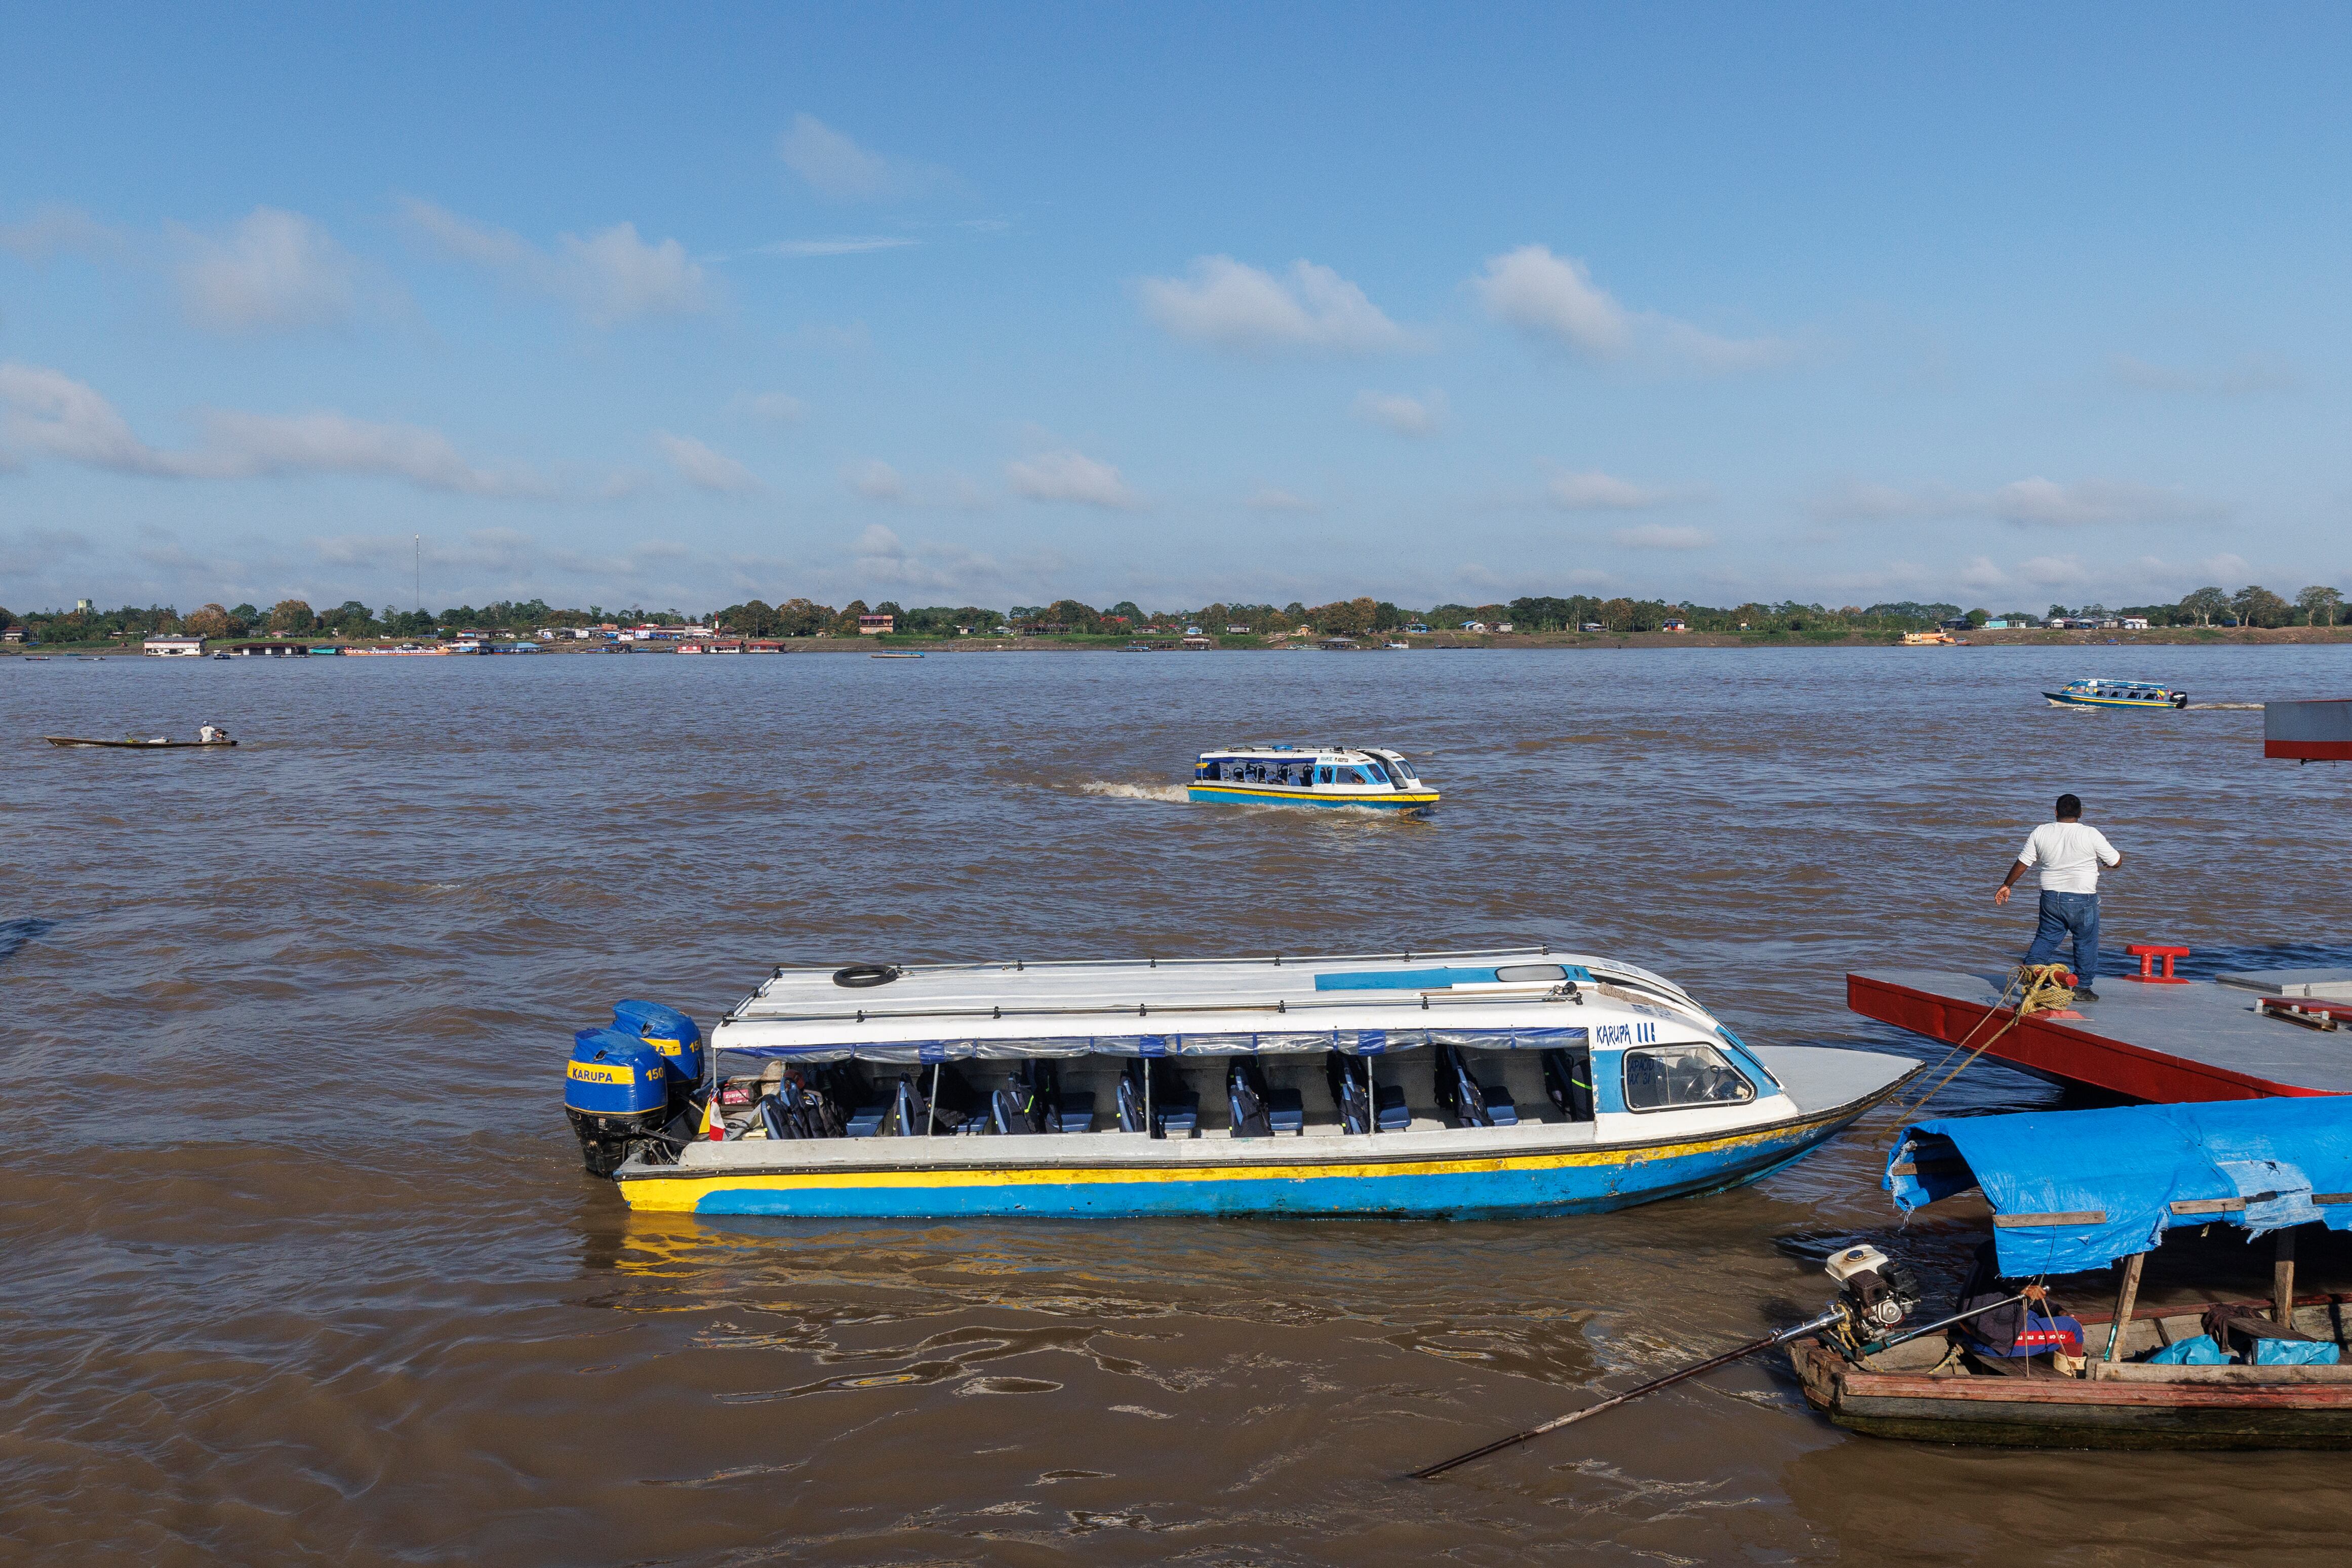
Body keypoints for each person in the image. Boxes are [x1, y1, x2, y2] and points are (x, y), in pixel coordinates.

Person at [1994, 793, 2121, 1000]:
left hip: (2051, 897)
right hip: (2083, 898)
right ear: (2081, 813)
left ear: (2055, 812)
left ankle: (2033, 974)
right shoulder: (2091, 834)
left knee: (2046, 938)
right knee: (2085, 943)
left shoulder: (2041, 831)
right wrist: (2108, 862)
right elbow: (2116, 861)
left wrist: (2007, 885)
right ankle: (2083, 988)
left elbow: (2023, 862)